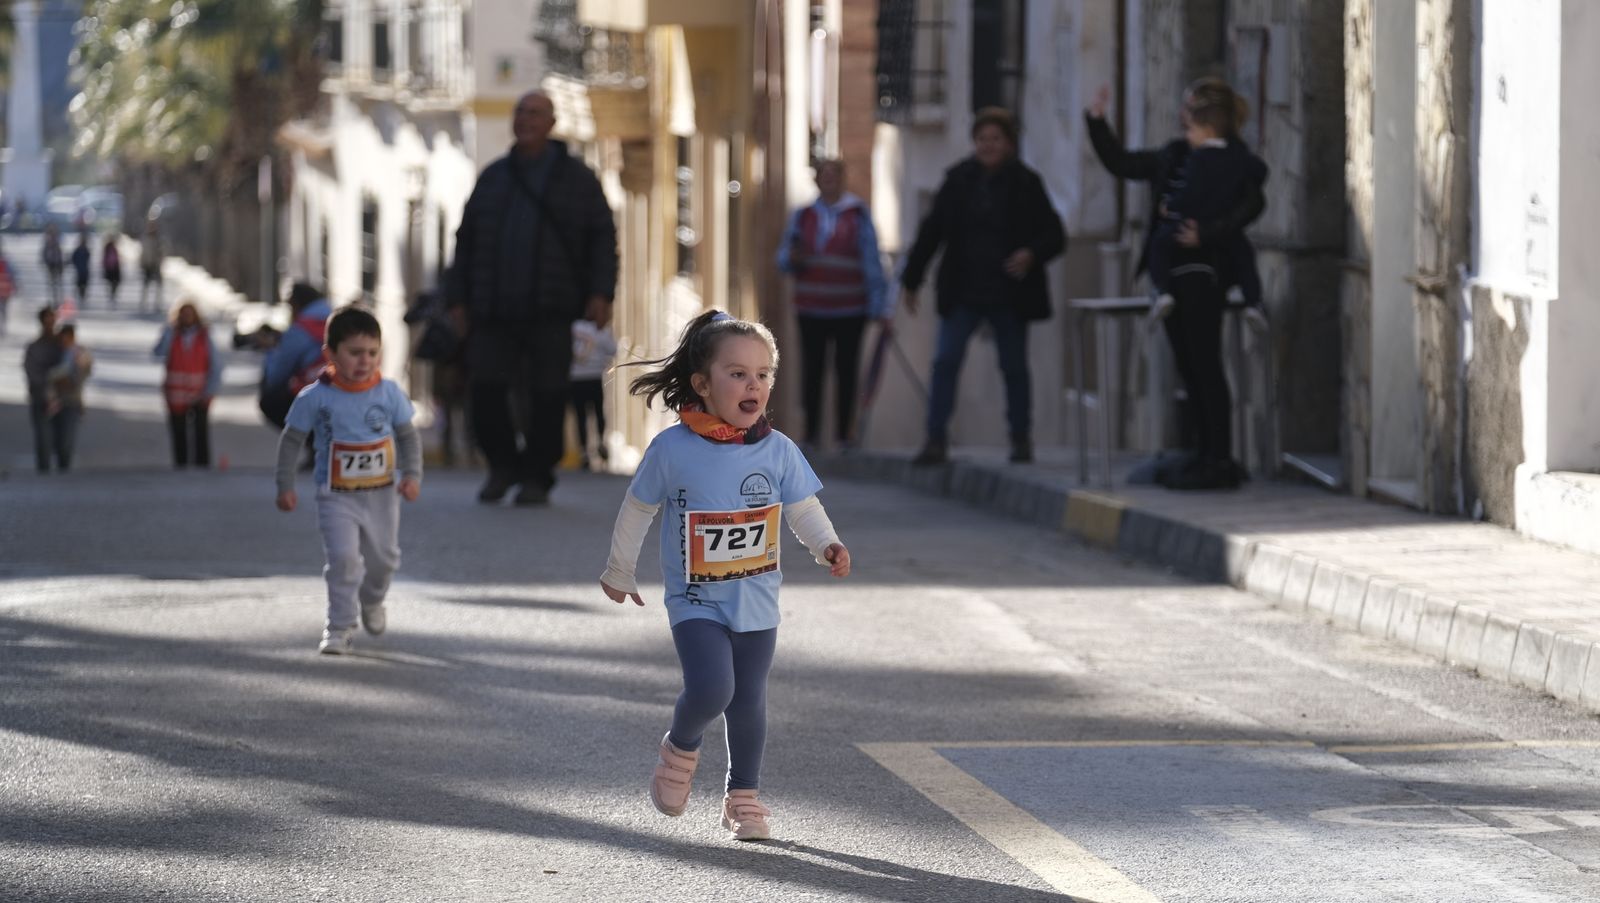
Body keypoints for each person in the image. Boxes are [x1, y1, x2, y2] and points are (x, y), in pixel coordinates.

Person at [600, 310, 852, 842]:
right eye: (736, 373)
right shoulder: (673, 449)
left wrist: (826, 544)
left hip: (757, 601)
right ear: (702, 384)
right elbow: (637, 508)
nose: (752, 384)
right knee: (712, 686)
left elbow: (802, 509)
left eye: (762, 374)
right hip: (696, 600)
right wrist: (620, 569)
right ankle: (680, 748)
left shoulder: (778, 450)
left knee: (748, 700)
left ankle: (743, 798)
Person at [1085, 79, 1267, 490]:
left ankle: (1219, 456)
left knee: (1206, 365)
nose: (1183, 114)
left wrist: (1208, 232)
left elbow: (1252, 206)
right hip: (1173, 272)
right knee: (1188, 366)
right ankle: (1203, 453)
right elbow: (1123, 164)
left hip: (1208, 271)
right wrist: (1097, 121)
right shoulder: (1176, 154)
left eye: (1190, 107)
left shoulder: (1235, 160)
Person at [446, 90, 619, 506]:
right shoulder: (493, 177)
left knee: (548, 394)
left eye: (535, 113)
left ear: (552, 123)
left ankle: (537, 476)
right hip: (492, 308)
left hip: (551, 309)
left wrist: (601, 293)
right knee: (485, 390)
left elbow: (602, 239)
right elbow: (465, 242)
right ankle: (502, 466)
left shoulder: (579, 180)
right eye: (520, 111)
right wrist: (457, 299)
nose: (525, 120)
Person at [901, 107, 1067, 467]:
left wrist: (1030, 254)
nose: (988, 145)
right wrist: (911, 280)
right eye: (982, 139)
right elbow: (932, 232)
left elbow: (1055, 235)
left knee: (1014, 368)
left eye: (995, 139)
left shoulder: (1027, 183)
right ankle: (935, 439)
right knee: (945, 362)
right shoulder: (958, 180)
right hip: (963, 291)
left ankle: (1021, 438)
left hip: (1008, 293)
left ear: (1008, 143)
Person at [275, 306, 423, 655]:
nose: (365, 361)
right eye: (355, 353)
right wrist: (285, 485)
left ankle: (372, 600)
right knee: (343, 559)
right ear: (331, 354)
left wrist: (412, 475)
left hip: (382, 496)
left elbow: (407, 436)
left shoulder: (388, 393)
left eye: (372, 353)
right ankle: (339, 626)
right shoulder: (316, 397)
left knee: (384, 560)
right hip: (335, 494)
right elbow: (291, 440)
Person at [776, 158, 889, 450]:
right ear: (816, 180)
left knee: (846, 370)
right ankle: (811, 434)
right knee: (811, 370)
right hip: (810, 308)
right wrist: (793, 259)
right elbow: (783, 259)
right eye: (823, 175)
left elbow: (872, 260)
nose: (828, 180)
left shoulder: (857, 215)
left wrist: (879, 306)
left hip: (851, 308)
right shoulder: (803, 216)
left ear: (842, 179)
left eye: (833, 175)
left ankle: (843, 436)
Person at [154, 301, 223, 469]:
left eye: (190, 313)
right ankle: (181, 465)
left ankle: (202, 466)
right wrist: (168, 333)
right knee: (178, 432)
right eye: (183, 313)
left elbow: (216, 365)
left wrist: (210, 389)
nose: (186, 317)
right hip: (176, 395)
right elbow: (157, 353)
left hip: (200, 393)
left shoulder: (204, 337)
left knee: (200, 433)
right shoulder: (172, 334)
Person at [259, 283, 332, 428]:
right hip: (349, 394)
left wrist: (271, 350)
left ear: (296, 305)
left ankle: (308, 441)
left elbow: (276, 376)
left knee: (270, 401)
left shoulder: (301, 329)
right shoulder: (337, 317)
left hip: (316, 399)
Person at [569, 318, 617, 470]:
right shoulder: (599, 328)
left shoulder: (572, 327)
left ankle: (584, 449)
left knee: (581, 415)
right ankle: (600, 442)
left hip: (576, 376)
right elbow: (613, 349)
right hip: (594, 375)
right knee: (598, 412)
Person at [46, 323, 93, 472]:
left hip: (71, 401)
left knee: (67, 438)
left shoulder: (80, 353)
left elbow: (85, 372)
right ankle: (57, 463)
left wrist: (71, 378)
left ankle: (64, 467)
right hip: (55, 401)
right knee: (55, 437)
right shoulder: (55, 352)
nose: (63, 342)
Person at [23, 307, 62, 472]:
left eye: (52, 320)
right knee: (43, 437)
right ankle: (44, 470)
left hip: (64, 399)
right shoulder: (34, 347)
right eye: (46, 320)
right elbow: (30, 371)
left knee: (64, 439)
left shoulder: (64, 345)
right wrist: (47, 385)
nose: (49, 324)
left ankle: (63, 469)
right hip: (40, 398)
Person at [139, 220, 165, 313]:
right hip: (147, 264)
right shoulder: (145, 237)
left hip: (156, 264)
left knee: (158, 285)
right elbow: (142, 252)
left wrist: (160, 261)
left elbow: (162, 251)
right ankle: (143, 303)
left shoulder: (158, 238)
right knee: (146, 285)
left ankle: (157, 304)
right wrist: (142, 263)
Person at [41, 224, 64, 307]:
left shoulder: (58, 239)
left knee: (58, 282)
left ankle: (58, 299)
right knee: (52, 283)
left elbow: (61, 251)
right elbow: (44, 252)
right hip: (50, 263)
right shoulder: (47, 240)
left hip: (58, 263)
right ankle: (53, 299)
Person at [102, 233, 124, 309]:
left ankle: (113, 294)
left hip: (115, 267)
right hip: (109, 268)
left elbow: (119, 257)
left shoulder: (116, 247)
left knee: (115, 283)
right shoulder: (107, 247)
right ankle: (111, 295)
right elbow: (104, 257)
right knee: (111, 282)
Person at [70, 231, 92, 306]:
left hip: (85, 271)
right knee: (79, 285)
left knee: (84, 285)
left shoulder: (86, 250)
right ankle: (80, 296)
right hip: (79, 271)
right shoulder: (78, 250)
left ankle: (82, 296)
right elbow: (73, 258)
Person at [0, 238, 16, 338]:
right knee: (3, 310)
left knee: (3, 309)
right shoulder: (6, 262)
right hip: (5, 290)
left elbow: (12, 275)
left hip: (4, 291)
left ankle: (3, 326)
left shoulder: (6, 262)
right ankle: (3, 326)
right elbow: (12, 274)